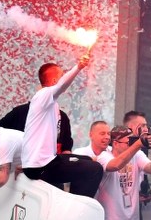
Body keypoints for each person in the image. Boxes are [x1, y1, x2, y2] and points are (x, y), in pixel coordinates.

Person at [21, 56, 103, 196]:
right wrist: (79, 66)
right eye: (61, 75)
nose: (64, 77)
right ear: (54, 81)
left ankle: (74, 199)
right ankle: (77, 206)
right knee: (95, 169)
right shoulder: (43, 95)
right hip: (41, 166)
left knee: (88, 160)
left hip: (48, 161)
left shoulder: (51, 103)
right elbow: (62, 86)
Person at [95, 124, 151, 220]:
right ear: (116, 143)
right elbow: (115, 165)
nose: (132, 144)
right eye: (129, 142)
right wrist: (138, 144)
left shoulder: (137, 154)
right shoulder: (104, 156)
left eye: (133, 140)